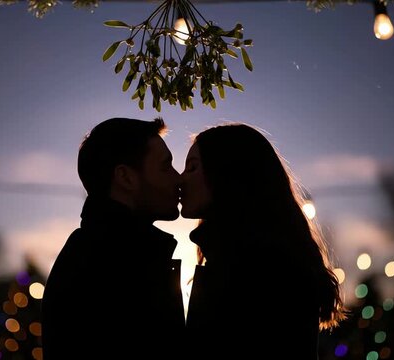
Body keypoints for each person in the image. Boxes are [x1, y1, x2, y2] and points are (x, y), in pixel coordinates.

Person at [180, 123, 347, 357]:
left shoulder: (260, 269)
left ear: (227, 174)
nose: (181, 179)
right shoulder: (242, 257)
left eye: (192, 167)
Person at [42, 117, 185, 358]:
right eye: (165, 166)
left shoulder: (102, 251)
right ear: (125, 177)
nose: (178, 178)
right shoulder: (113, 262)